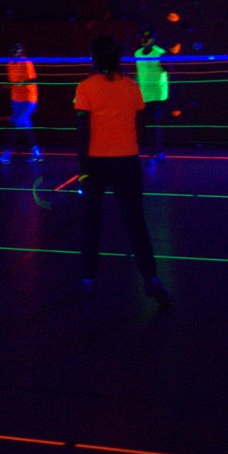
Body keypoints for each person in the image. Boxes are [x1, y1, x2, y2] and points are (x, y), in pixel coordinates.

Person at [73, 36, 171, 303]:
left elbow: (82, 133)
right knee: (135, 222)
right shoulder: (132, 87)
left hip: (96, 164)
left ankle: (88, 279)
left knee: (91, 222)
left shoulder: (85, 87)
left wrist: (83, 170)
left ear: (94, 59)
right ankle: (151, 279)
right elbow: (140, 128)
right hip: (127, 162)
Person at [133, 28, 170, 167]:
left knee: (154, 125)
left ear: (153, 40)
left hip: (157, 96)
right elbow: (139, 72)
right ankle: (156, 152)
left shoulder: (160, 53)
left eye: (148, 38)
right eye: (143, 37)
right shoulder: (137, 53)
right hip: (144, 96)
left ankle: (155, 154)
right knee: (148, 126)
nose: (144, 40)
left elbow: (170, 70)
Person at [0, 43, 41, 164]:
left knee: (16, 123)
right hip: (16, 100)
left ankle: (6, 155)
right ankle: (36, 154)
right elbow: (11, 82)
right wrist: (7, 86)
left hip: (29, 99)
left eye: (18, 52)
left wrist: (17, 84)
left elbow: (32, 79)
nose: (15, 55)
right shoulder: (9, 64)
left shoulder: (26, 62)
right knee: (25, 125)